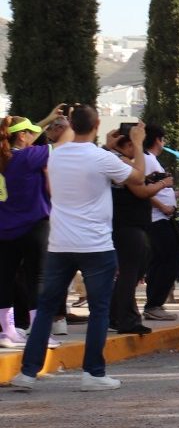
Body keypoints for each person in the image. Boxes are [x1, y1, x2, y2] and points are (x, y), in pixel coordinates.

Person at [11, 108, 144, 392]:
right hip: (96, 245)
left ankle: (28, 373)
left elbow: (70, 145)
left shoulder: (55, 154)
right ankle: (93, 374)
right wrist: (139, 142)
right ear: (97, 125)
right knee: (99, 310)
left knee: (46, 309)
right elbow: (138, 178)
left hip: (60, 243)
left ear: (70, 125)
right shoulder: (102, 157)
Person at [106, 122, 173, 336]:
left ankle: (117, 315)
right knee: (129, 273)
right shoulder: (120, 162)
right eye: (134, 145)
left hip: (129, 224)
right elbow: (140, 190)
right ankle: (127, 319)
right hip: (128, 225)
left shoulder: (115, 159)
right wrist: (163, 184)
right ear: (126, 145)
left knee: (132, 271)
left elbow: (139, 181)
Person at [0, 112, 59, 348]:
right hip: (34, 227)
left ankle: (7, 332)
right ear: (22, 136)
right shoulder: (30, 157)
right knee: (38, 278)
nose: (36, 136)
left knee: (4, 278)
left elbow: (19, 136)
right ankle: (39, 331)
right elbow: (62, 144)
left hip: (4, 229)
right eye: (31, 133)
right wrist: (72, 121)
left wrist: (46, 119)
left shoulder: (6, 158)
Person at [143, 124, 179, 322]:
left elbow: (157, 188)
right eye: (163, 140)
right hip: (157, 219)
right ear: (158, 140)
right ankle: (154, 304)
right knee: (169, 260)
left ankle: (154, 304)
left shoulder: (151, 160)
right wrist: (162, 207)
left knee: (161, 261)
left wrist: (177, 194)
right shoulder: (146, 160)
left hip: (162, 218)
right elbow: (142, 189)